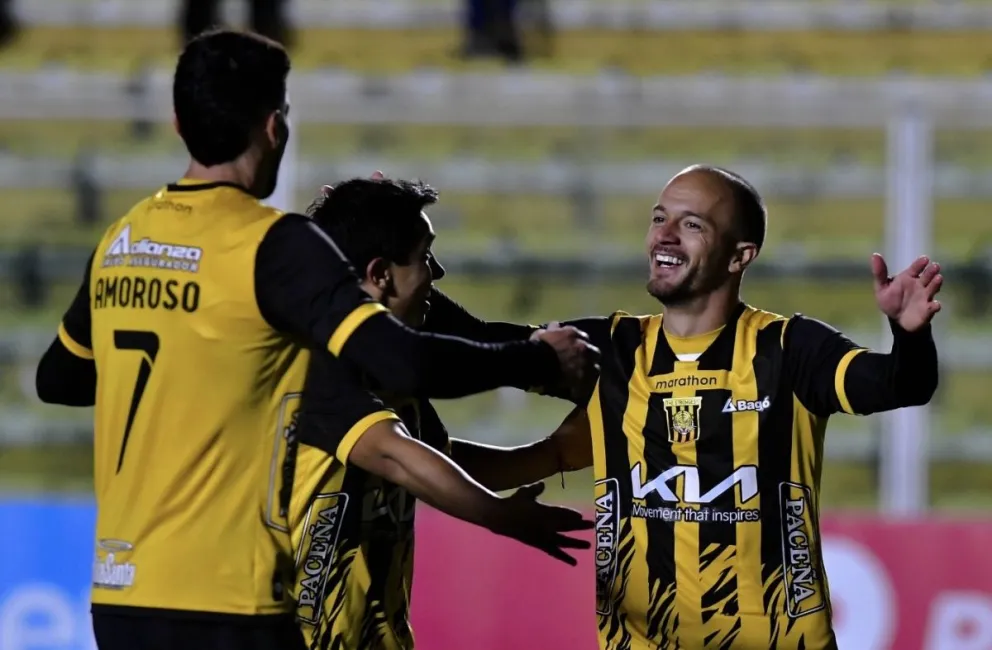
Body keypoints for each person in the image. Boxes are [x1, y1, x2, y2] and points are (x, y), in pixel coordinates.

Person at [32, 30, 597, 650]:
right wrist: (532, 357)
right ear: (274, 126)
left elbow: (58, 379)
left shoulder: (124, 239)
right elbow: (402, 364)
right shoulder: (270, 245)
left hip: (123, 594)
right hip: (228, 595)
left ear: (177, 121)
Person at [420, 164, 941, 649]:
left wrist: (910, 335)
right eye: (658, 218)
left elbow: (899, 385)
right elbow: (476, 339)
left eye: (691, 224)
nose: (663, 235)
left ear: (740, 256)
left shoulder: (790, 350)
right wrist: (376, 240)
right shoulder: (612, 351)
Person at [290, 177, 592, 650]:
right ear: (380, 274)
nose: (439, 271)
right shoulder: (308, 360)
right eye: (426, 255)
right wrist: (502, 517)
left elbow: (441, 466)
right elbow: (397, 456)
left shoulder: (387, 375)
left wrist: (558, 452)